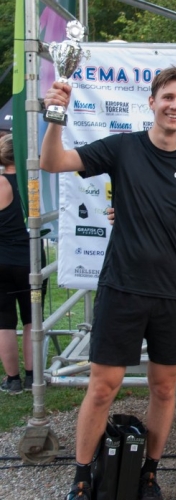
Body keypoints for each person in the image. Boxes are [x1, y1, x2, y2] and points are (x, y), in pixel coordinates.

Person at [41, 66, 176, 500]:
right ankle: (82, 478)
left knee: (165, 389)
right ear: (152, 101)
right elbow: (54, 162)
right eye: (168, 97)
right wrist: (56, 117)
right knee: (103, 388)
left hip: (172, 294)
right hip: (122, 287)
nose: (175, 105)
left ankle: (149, 474)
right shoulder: (123, 147)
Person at [0, 134, 34, 395]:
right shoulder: (32, 183)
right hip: (30, 260)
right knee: (32, 320)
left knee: (5, 322)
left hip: (2, 260)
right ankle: (33, 377)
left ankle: (12, 380)